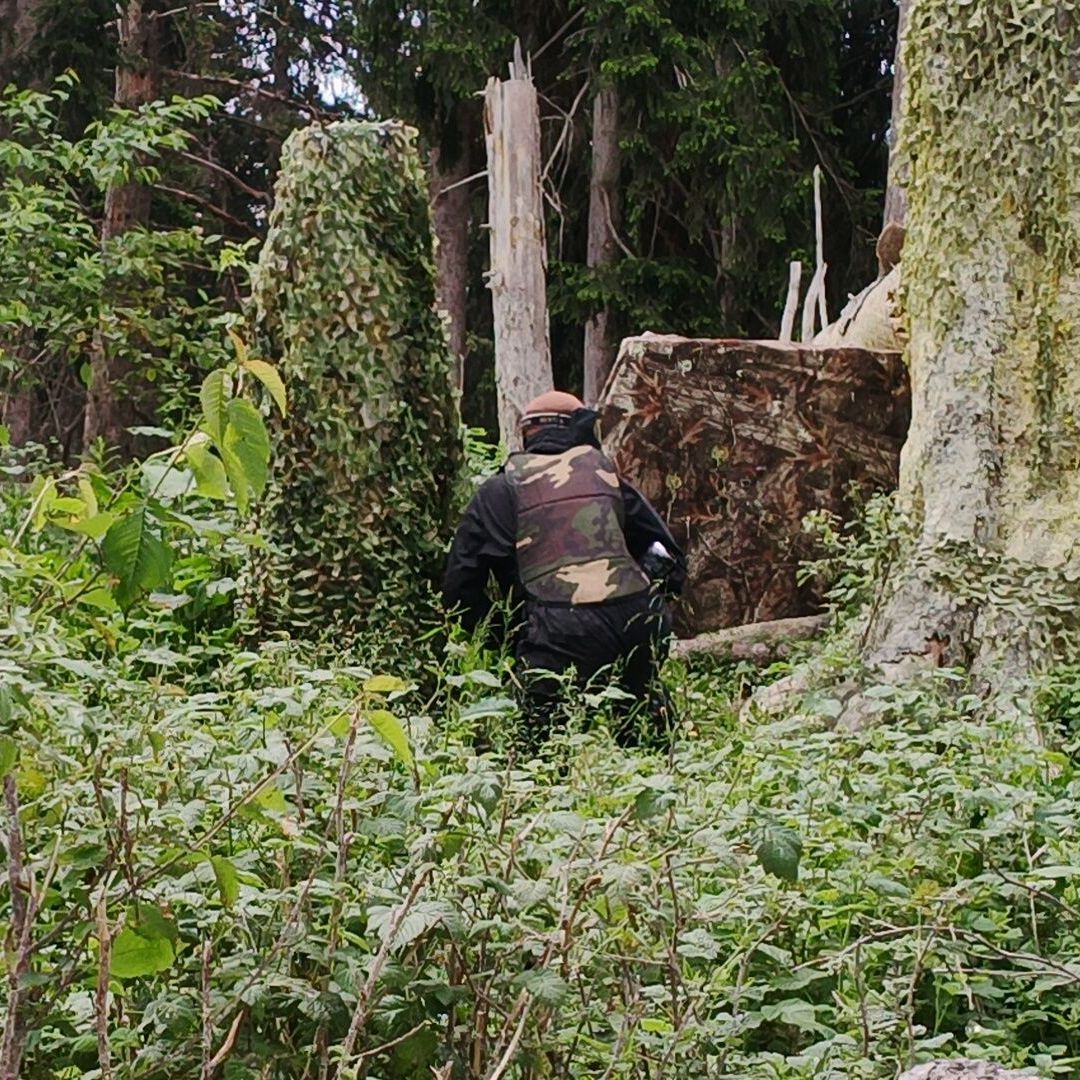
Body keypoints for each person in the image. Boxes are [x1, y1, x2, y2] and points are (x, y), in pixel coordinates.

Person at [442, 390, 686, 747]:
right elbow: (668, 555)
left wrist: (507, 637)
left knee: (537, 754)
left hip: (557, 632)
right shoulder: (604, 476)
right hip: (639, 622)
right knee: (648, 741)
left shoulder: (500, 489)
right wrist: (645, 603)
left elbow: (460, 587)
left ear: (527, 433)